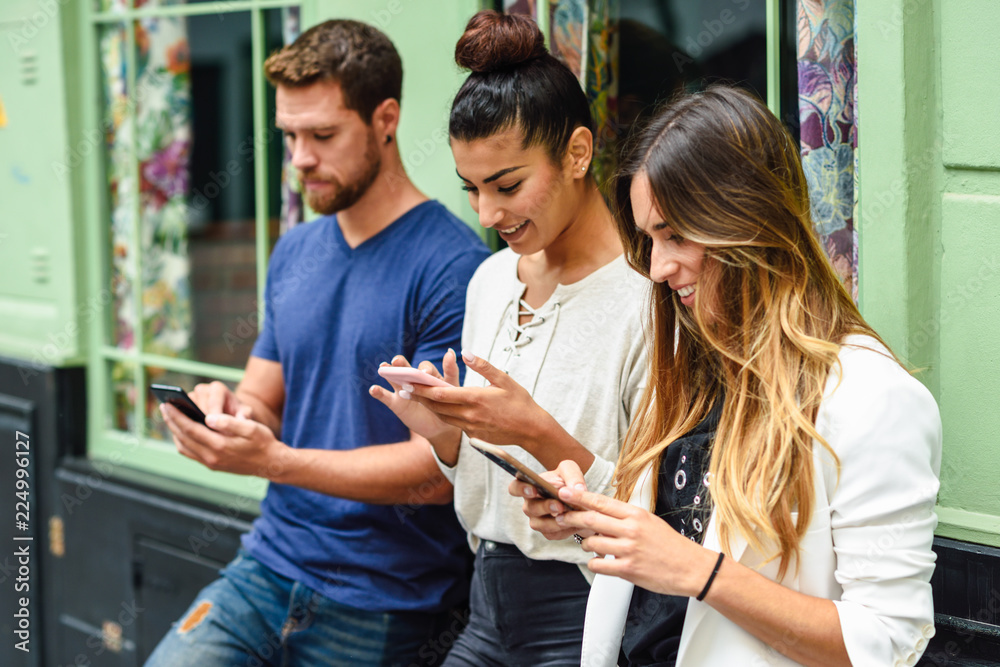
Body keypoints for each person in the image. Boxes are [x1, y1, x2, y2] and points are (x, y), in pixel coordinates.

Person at [515, 86, 942, 667]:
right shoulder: (695, 363)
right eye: (649, 239)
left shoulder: (873, 397)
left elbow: (888, 641)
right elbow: (689, 518)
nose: (658, 268)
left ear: (746, 221)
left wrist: (697, 572)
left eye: (676, 235)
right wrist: (589, 508)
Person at [146, 20, 490, 666]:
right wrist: (228, 414)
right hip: (266, 566)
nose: (300, 157)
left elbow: (435, 473)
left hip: (384, 593)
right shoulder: (296, 248)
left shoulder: (453, 267)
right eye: (290, 136)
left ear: (385, 119)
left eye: (323, 135)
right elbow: (262, 395)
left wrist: (273, 460)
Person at [368, 10, 649, 667]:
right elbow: (481, 479)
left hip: (585, 614)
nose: (488, 215)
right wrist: (441, 430)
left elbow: (655, 509)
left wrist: (535, 429)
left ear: (578, 152)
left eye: (508, 185)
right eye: (471, 189)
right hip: (485, 601)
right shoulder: (490, 281)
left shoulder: (646, 296)